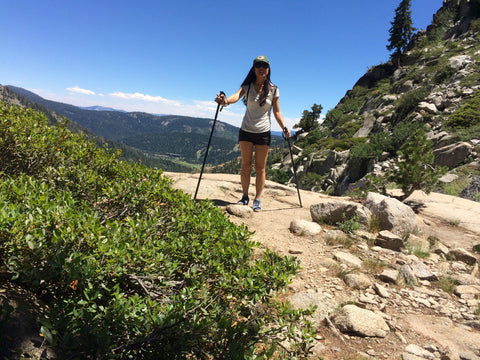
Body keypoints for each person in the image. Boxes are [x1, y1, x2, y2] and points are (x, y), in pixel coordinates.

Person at [215, 55, 290, 212]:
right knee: (246, 165)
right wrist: (225, 101)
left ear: (268, 69)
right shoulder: (247, 86)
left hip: (263, 133)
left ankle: (257, 199)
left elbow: (277, 111)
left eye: (264, 65)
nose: (261, 67)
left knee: (260, 168)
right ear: (254, 69)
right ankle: (244, 196)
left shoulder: (274, 89)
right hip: (246, 131)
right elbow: (236, 96)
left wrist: (284, 128)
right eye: (258, 65)